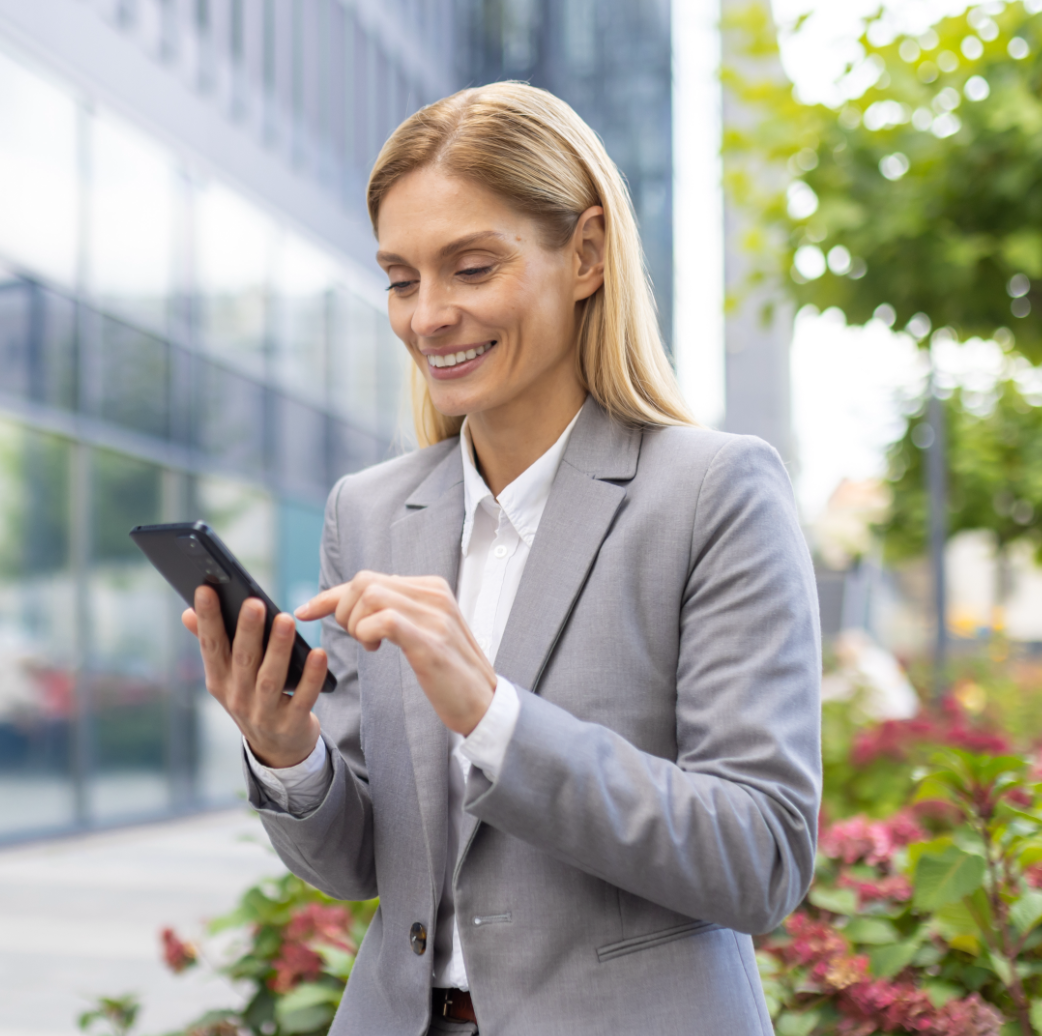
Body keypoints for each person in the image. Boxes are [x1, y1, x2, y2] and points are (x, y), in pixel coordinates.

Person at [184, 82, 821, 1036]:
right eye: (401, 279)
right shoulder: (370, 511)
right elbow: (361, 862)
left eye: (471, 268)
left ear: (588, 255)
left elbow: (761, 858)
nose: (428, 316)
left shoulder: (712, 493)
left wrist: (493, 716)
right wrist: (288, 752)